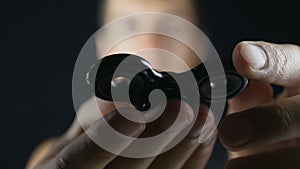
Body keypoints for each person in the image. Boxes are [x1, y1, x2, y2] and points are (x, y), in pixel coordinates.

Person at [26, 0, 300, 168]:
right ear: (103, 47)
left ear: (199, 46)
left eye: (172, 26)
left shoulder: (247, 150)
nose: (152, 42)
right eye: (130, 24)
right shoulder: (50, 155)